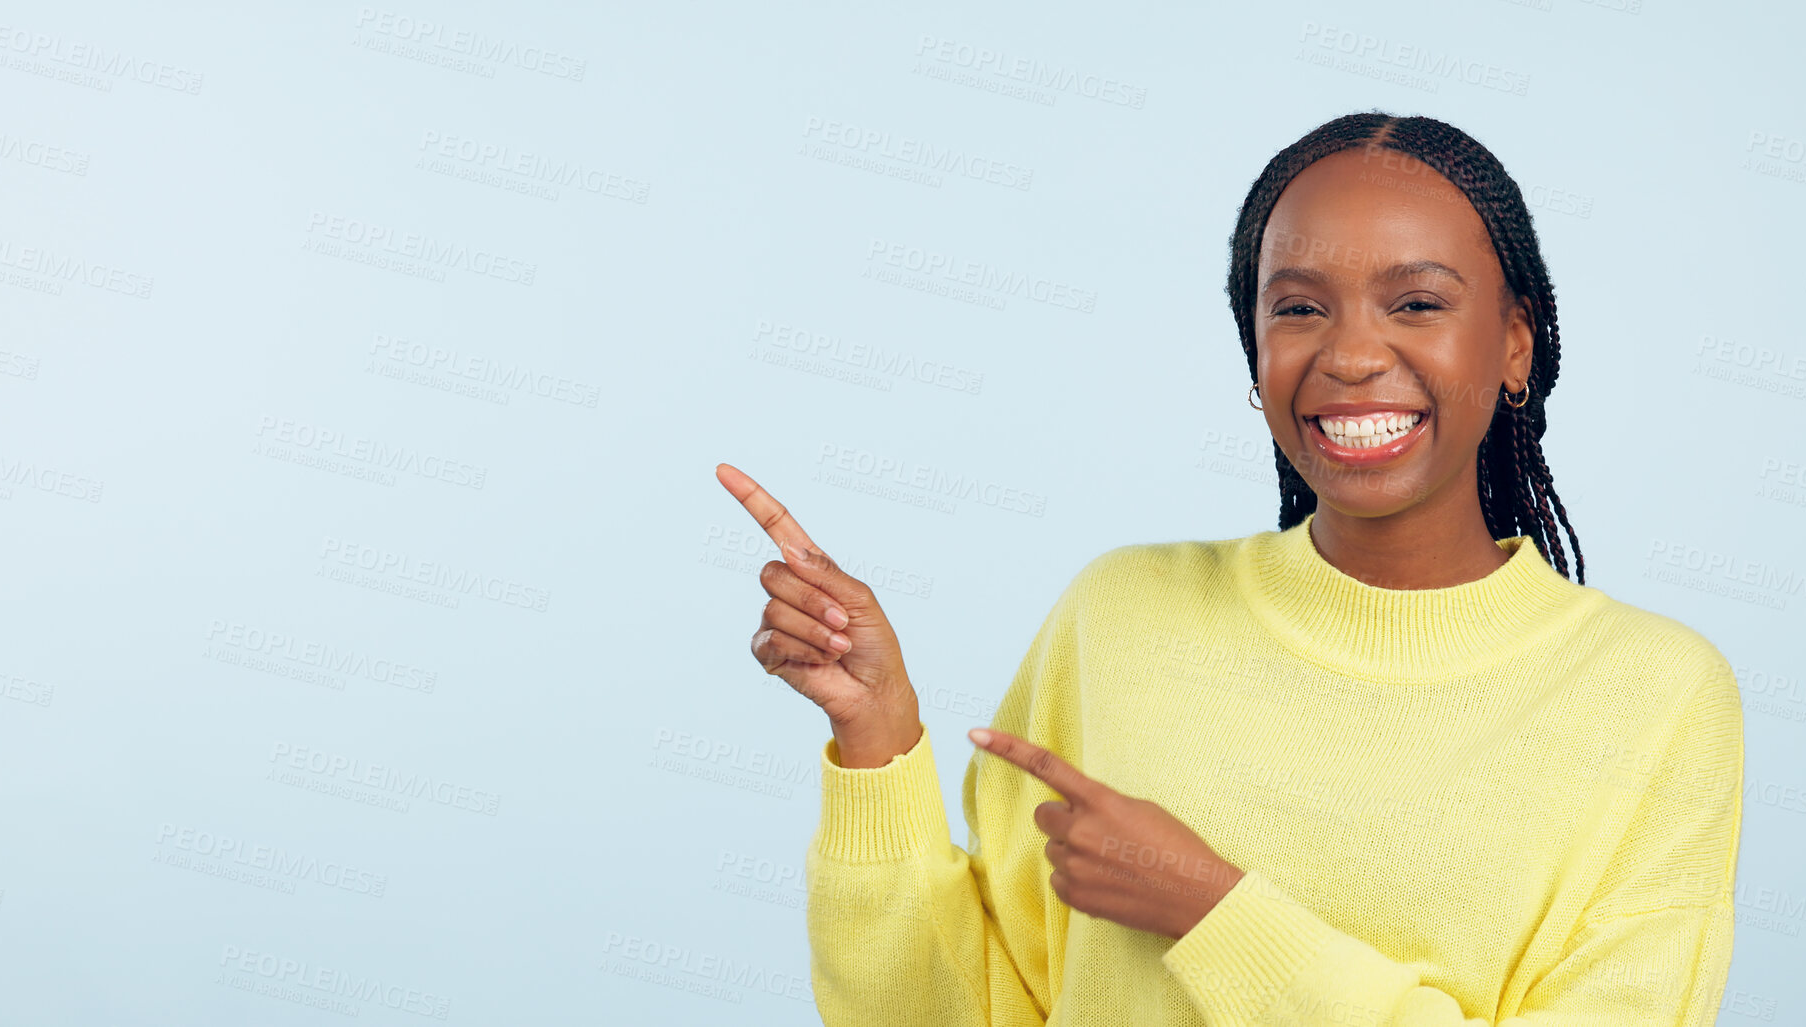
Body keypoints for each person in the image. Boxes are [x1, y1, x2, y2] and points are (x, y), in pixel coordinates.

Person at [714, 111, 1743, 1026]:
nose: (1349, 356)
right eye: (1298, 308)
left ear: (1514, 344)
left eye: (1417, 304)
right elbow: (960, 1011)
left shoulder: (1654, 695)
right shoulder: (1119, 615)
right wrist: (876, 736)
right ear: (1253, 349)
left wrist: (1210, 907)